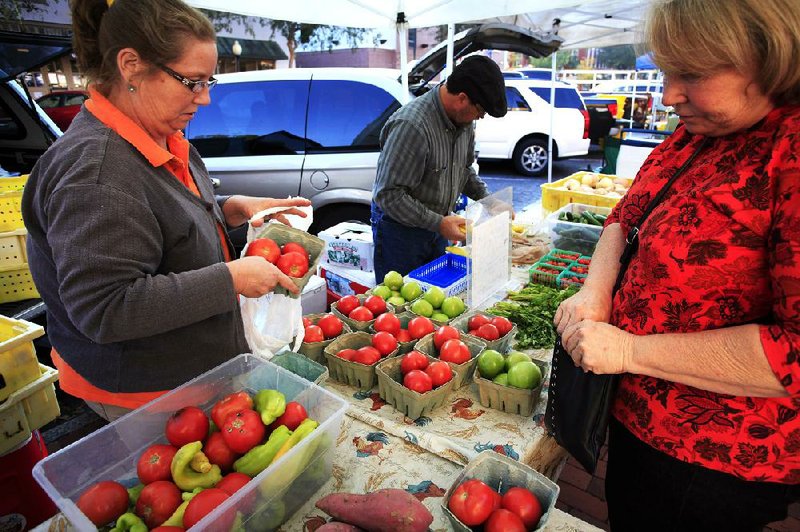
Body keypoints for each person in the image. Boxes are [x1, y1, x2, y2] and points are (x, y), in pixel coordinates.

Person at [554, 1, 800, 530]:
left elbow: (794, 352)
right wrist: (596, 291)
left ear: (767, 57)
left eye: (692, 73)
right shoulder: (700, 131)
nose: (668, 95)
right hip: (637, 420)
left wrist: (627, 349)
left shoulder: (789, 150)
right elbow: (624, 216)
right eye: (667, 70)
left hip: (708, 462)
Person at [21, 0, 310, 422]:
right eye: (192, 82)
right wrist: (231, 279)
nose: (206, 98)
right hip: (145, 391)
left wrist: (228, 212)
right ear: (131, 65)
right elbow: (105, 308)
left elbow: (160, 229)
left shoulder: (163, 135)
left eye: (208, 81)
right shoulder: (96, 172)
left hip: (190, 374)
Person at [370, 55, 507, 282]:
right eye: (480, 111)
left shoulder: (464, 122)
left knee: (434, 299)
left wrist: (489, 200)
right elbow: (388, 195)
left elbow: (463, 169)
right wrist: (439, 223)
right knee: (400, 306)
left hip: (438, 227)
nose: (480, 118)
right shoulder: (412, 126)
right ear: (463, 99)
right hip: (400, 235)